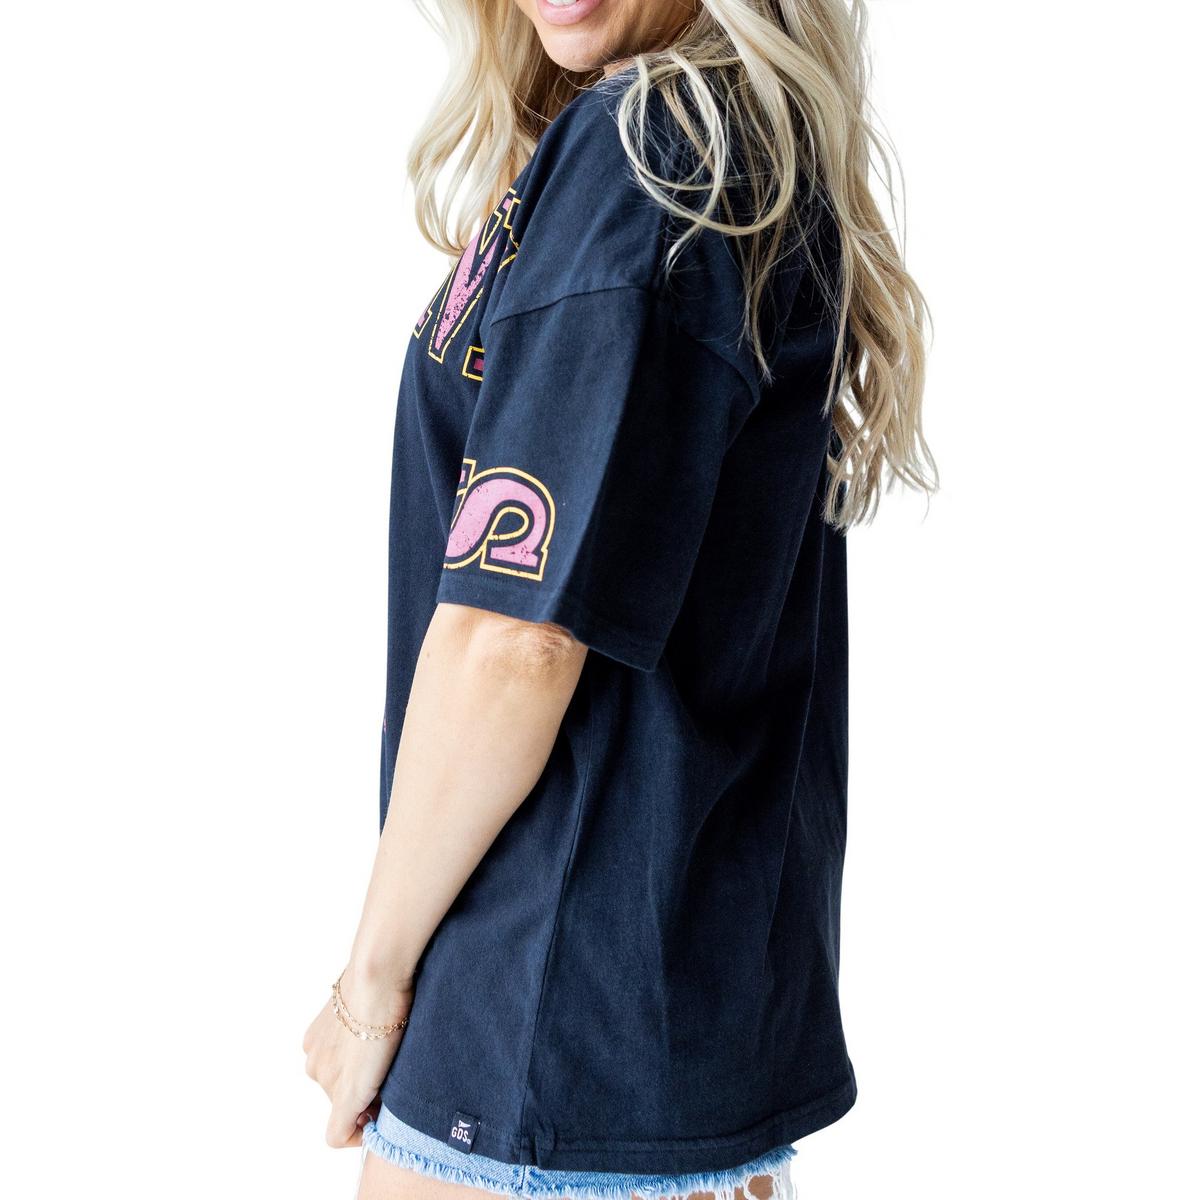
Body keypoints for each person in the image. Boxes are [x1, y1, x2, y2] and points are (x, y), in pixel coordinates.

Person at [301, 2, 936, 1198]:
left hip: (539, 1043)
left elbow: (514, 640)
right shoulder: (739, 142)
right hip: (670, 1029)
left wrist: (368, 989)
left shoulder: (648, 151)